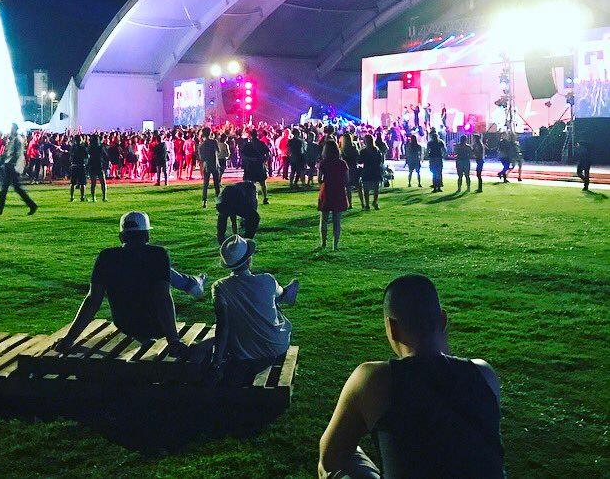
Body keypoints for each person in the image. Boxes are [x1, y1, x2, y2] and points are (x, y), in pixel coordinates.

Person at [318, 274, 504, 479]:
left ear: (392, 328)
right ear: (443, 321)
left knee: (338, 465)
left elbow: (330, 458)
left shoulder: (375, 380)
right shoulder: (484, 374)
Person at [54, 211, 206, 354]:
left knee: (147, 267)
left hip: (125, 324)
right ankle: (193, 283)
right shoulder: (158, 254)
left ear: (121, 237)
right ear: (147, 235)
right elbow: (163, 298)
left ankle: (192, 283)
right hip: (156, 326)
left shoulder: (106, 257)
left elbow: (93, 300)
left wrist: (69, 339)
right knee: (156, 267)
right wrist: (173, 340)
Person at [209, 235, 298, 385]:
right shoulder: (267, 280)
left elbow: (222, 326)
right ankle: (286, 293)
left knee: (256, 301)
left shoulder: (220, 287)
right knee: (276, 298)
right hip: (275, 346)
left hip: (242, 352)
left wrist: (216, 362)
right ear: (249, 260)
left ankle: (281, 295)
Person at [0, 123, 37, 215]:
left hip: (11, 166)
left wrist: (12, 165)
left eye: (11, 128)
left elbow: (17, 154)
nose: (10, 130)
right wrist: (0, 159)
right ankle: (0, 209)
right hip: (10, 165)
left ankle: (31, 205)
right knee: (9, 188)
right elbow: (8, 153)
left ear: (14, 129)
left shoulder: (17, 139)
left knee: (10, 188)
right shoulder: (14, 139)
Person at [318, 140, 349, 250]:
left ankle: (323, 243)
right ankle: (335, 245)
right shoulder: (342, 163)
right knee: (337, 220)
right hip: (338, 190)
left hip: (327, 190)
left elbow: (319, 179)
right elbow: (347, 179)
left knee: (324, 218)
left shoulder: (323, 163)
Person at [241, 129, 270, 204]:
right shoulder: (261, 143)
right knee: (263, 183)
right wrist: (264, 160)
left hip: (250, 166)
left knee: (252, 184)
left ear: (250, 135)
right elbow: (268, 153)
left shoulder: (248, 145)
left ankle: (253, 198)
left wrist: (249, 159)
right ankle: (265, 198)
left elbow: (243, 155)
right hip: (260, 165)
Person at [358, 134, 384, 211]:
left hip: (367, 171)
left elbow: (360, 161)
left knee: (366, 189)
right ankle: (374, 202)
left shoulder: (363, 151)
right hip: (375, 170)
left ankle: (367, 204)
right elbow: (380, 160)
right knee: (376, 188)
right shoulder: (376, 150)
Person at [198, 127, 221, 208]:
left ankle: (204, 201)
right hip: (214, 164)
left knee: (205, 184)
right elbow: (218, 151)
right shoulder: (214, 142)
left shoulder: (201, 145)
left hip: (206, 165)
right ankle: (218, 201)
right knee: (216, 184)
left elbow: (201, 158)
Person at [87, 134, 108, 201]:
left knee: (93, 183)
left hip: (93, 166)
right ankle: (104, 197)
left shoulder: (91, 147)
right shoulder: (100, 147)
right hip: (99, 165)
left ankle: (94, 198)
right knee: (103, 182)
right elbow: (105, 156)